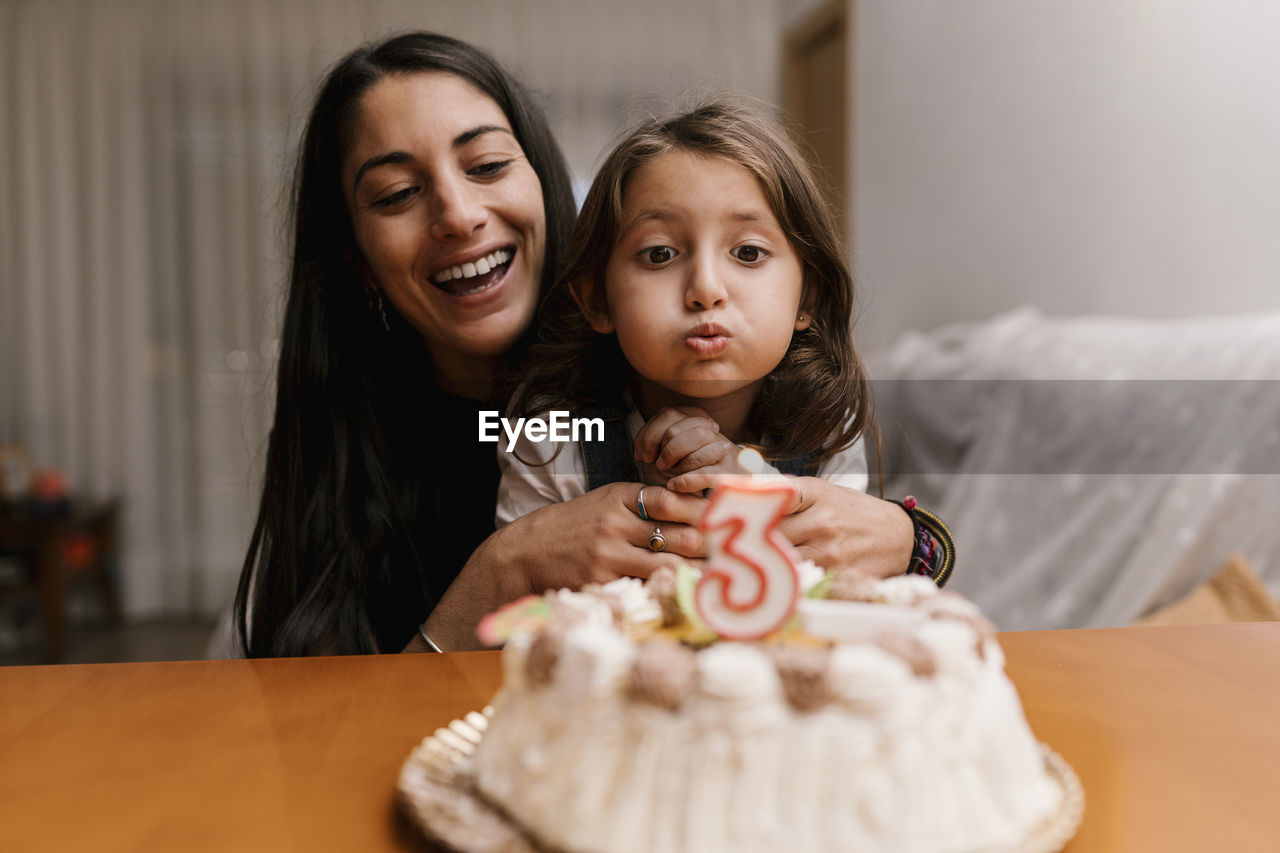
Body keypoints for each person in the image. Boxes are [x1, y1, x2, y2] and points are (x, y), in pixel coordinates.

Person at [233, 31, 925, 658]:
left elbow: (857, 594)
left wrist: (916, 541)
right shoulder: (499, 436)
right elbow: (324, 722)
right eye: (396, 193)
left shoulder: (787, 405)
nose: (458, 215)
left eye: (486, 165)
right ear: (357, 259)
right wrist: (507, 566)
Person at [497, 103, 874, 532]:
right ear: (597, 300)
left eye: (748, 253)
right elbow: (522, 580)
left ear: (809, 294)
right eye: (660, 254)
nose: (706, 290)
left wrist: (747, 483)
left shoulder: (825, 426)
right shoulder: (551, 441)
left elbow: (838, 570)